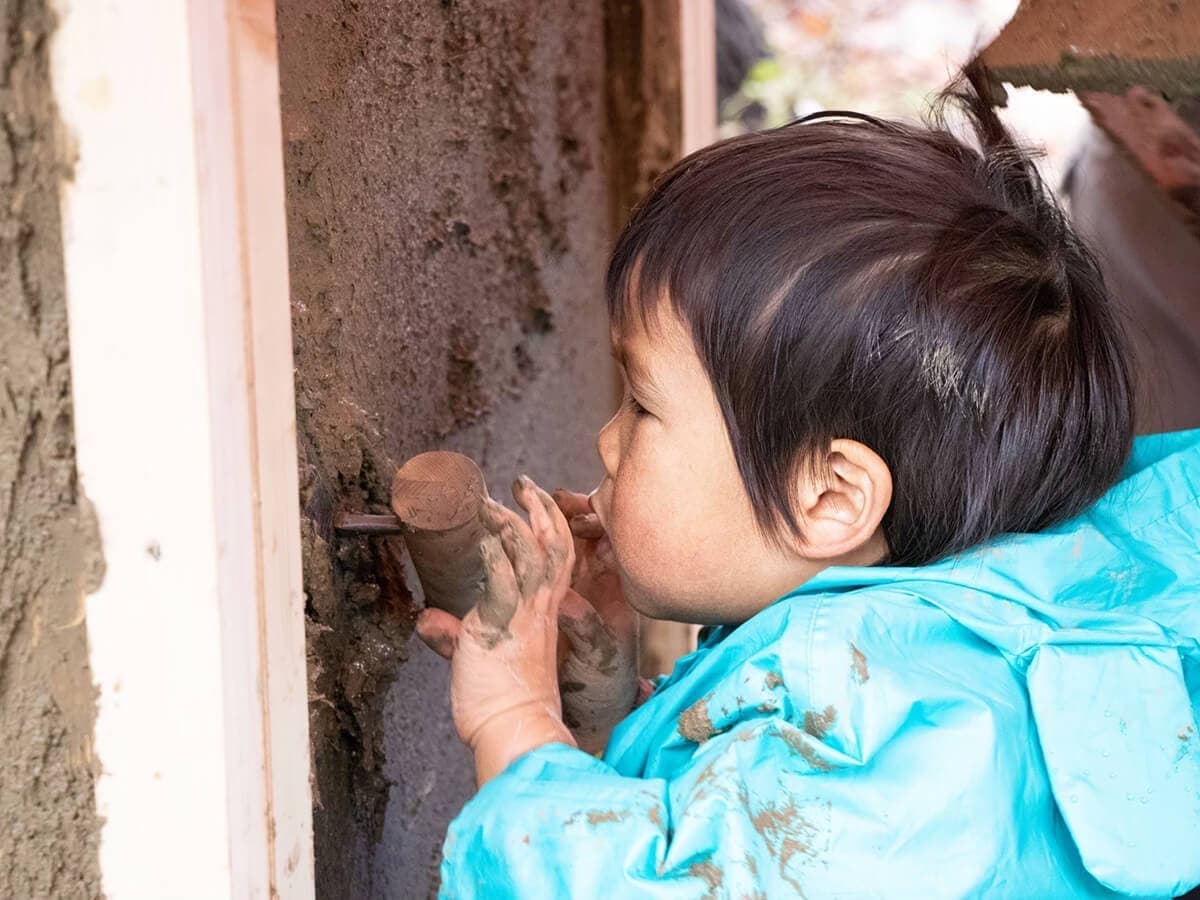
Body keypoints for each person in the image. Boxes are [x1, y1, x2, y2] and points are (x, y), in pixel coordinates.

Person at [414, 67, 1200, 899]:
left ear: (829, 498)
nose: (608, 444)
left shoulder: (869, 725)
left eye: (642, 406)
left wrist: (514, 723)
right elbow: (744, 832)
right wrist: (614, 711)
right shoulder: (954, 662)